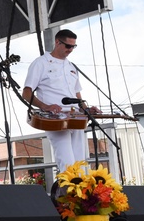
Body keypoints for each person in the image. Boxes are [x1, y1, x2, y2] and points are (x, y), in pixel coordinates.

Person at [22, 29, 97, 168]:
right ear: (57, 42)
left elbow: (77, 94)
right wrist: (45, 106)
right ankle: (67, 189)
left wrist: (86, 109)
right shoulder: (40, 63)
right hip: (55, 119)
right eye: (68, 46)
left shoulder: (71, 66)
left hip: (76, 117)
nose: (71, 50)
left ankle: (81, 190)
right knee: (66, 162)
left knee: (80, 162)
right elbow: (26, 93)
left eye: (73, 46)